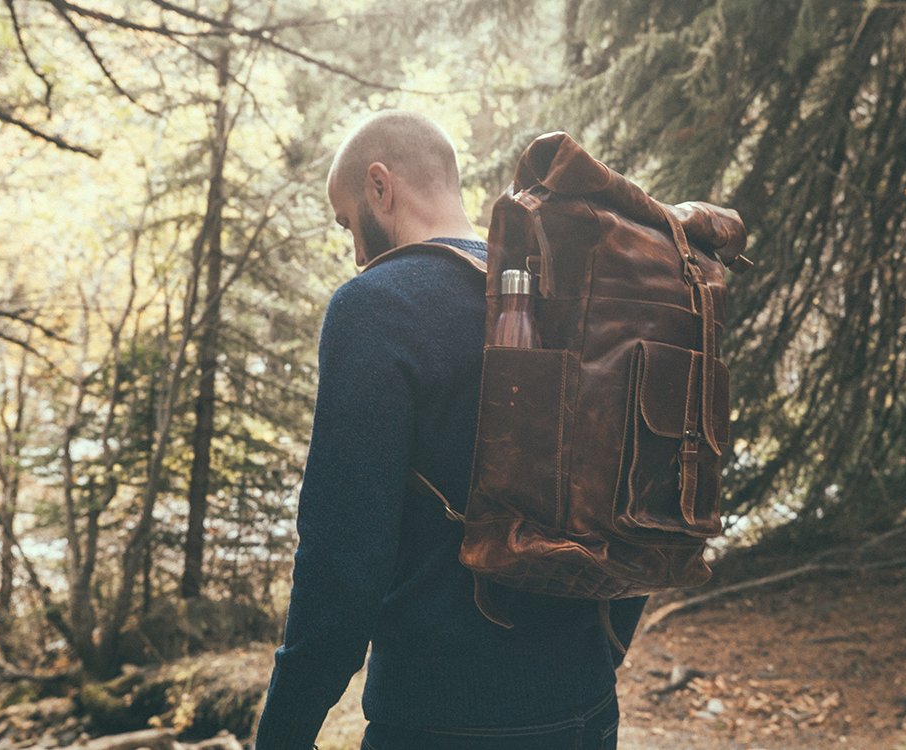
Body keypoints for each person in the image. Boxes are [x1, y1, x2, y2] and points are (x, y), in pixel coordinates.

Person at [254, 110, 648, 750]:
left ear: (380, 186)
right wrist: (596, 661)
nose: (356, 252)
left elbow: (340, 564)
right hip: (586, 710)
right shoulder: (562, 294)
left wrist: (283, 733)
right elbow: (629, 491)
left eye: (349, 223)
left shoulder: (375, 307)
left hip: (441, 717)